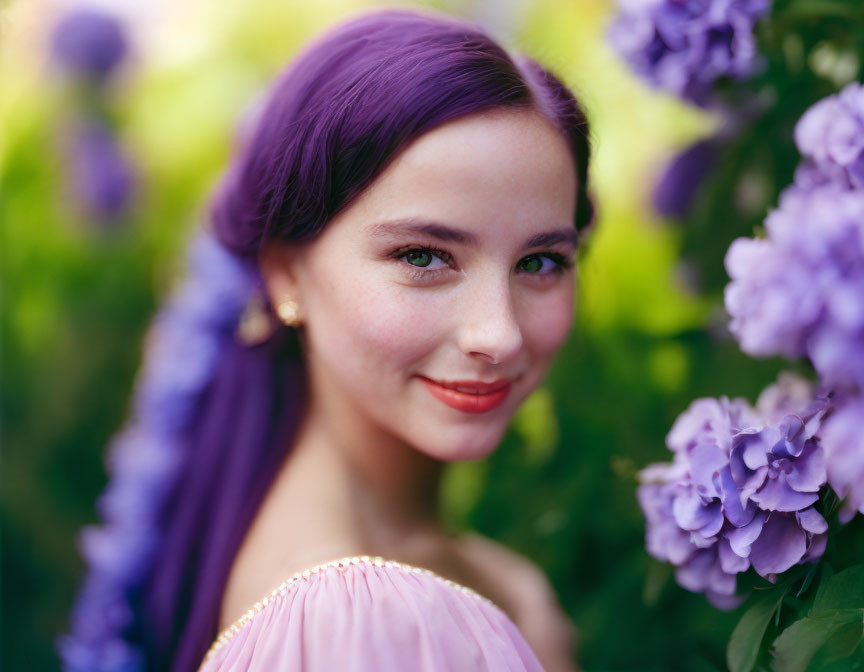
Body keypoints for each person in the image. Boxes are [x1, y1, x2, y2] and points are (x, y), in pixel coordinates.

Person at [57, 7, 596, 672]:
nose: (500, 334)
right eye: (425, 257)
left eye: (540, 262)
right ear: (285, 272)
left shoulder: (445, 575)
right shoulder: (354, 622)